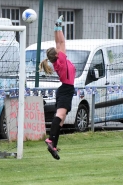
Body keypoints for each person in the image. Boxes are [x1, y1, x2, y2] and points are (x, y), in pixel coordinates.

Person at [39, 15, 76, 160]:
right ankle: (50, 139)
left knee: (61, 119)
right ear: (57, 53)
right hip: (66, 90)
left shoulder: (58, 60)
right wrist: (58, 27)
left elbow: (58, 41)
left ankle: (53, 145)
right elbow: (60, 41)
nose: (59, 47)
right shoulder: (60, 59)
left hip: (65, 89)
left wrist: (57, 27)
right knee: (60, 116)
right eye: (57, 49)